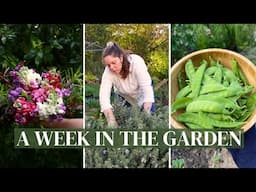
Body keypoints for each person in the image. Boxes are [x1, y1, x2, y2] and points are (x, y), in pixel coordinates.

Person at [99, 41, 155, 127]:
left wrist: (145, 116)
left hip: (142, 95)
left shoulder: (136, 62)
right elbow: (104, 97)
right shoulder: (108, 72)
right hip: (123, 96)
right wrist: (111, 121)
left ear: (121, 57)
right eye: (108, 65)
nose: (112, 67)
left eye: (114, 63)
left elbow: (147, 91)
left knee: (149, 122)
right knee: (125, 122)